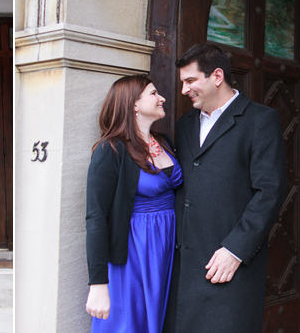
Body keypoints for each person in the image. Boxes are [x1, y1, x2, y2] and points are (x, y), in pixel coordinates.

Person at [165, 42, 286, 332]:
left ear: (217, 76)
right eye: (183, 82)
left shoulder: (260, 120)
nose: (184, 90)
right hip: (183, 269)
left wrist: (234, 250)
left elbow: (270, 191)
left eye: (191, 81)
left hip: (229, 266)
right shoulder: (184, 125)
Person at [84, 75, 183, 333]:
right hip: (134, 253)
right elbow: (96, 217)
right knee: (129, 323)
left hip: (167, 249)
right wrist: (97, 284)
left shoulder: (165, 143)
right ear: (134, 105)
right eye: (153, 93)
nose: (162, 98)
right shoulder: (111, 150)